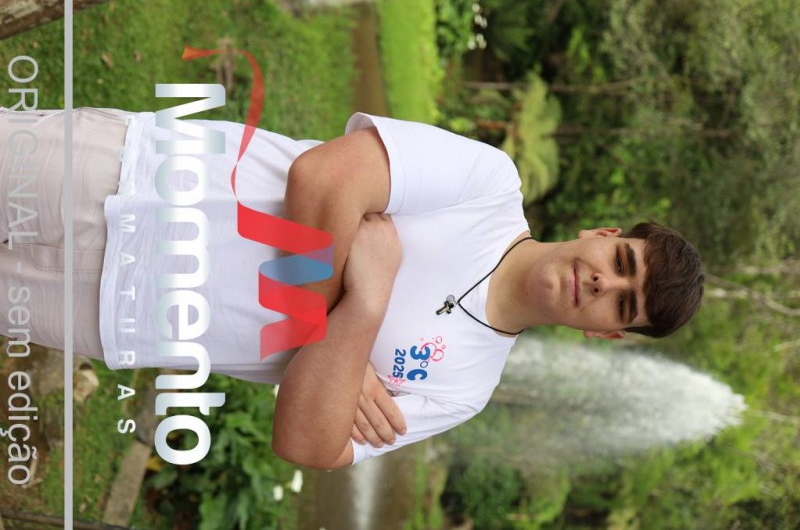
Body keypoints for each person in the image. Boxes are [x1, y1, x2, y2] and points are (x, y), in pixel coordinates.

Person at [0, 107, 704, 469]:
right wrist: (334, 356)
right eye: (623, 261)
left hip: (120, 315)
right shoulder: (489, 187)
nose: (602, 280)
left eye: (623, 302)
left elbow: (308, 443)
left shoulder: (465, 387)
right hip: (135, 177)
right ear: (604, 234)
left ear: (607, 332)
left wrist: (363, 311)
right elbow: (326, 177)